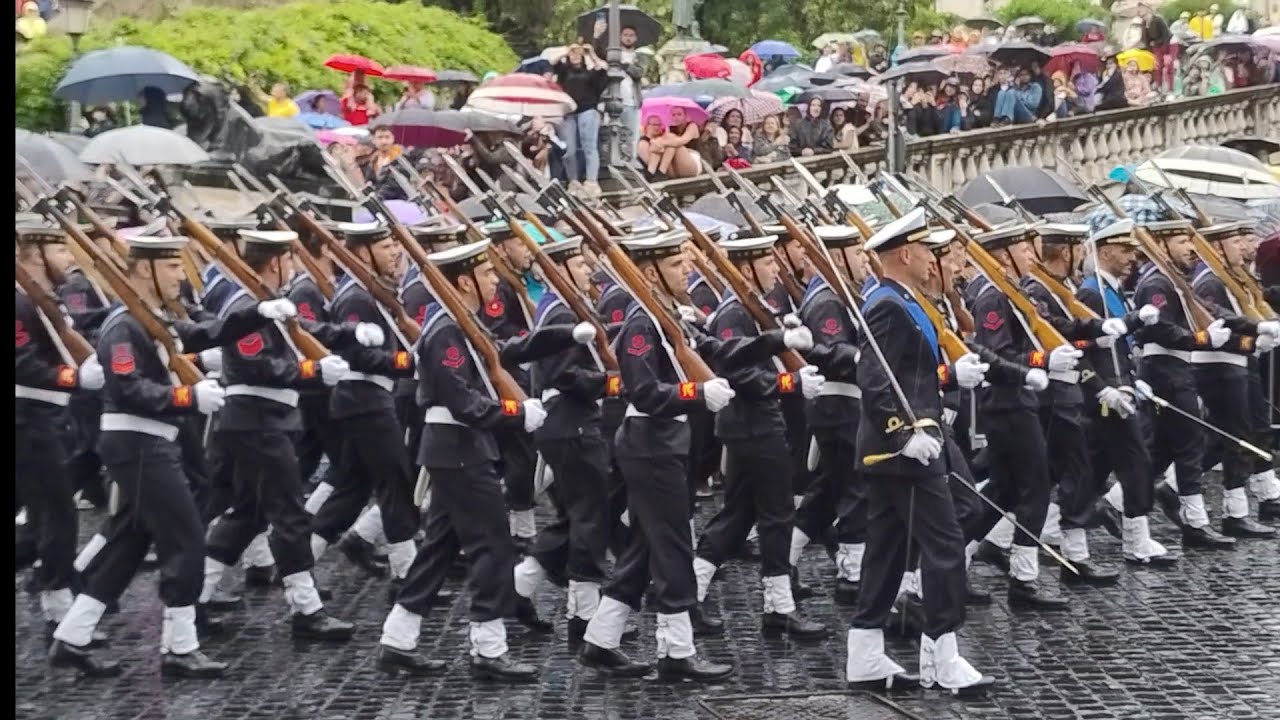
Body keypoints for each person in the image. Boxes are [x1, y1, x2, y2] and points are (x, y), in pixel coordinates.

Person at [49, 235, 275, 679]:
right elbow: (126, 389)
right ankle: (180, 645)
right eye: (171, 267)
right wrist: (187, 397)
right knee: (186, 536)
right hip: (136, 444)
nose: (180, 276)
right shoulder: (123, 326)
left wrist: (258, 313)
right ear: (143, 270)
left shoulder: (151, 318)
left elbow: (204, 332)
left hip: (152, 441)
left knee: (130, 543)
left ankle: (72, 637)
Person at [378, 240, 587, 679]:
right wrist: (516, 414)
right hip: (458, 448)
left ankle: (398, 638)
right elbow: (464, 402)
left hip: (458, 447)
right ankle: (488, 649)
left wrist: (567, 334)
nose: (495, 280)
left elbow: (509, 350)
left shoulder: (459, 323)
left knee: (439, 546)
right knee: (492, 545)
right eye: (486, 274)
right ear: (463, 281)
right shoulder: (445, 333)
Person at [576, 230, 777, 681]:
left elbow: (714, 349)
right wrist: (697, 393)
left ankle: (601, 640)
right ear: (650, 273)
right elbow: (644, 391)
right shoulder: (641, 324)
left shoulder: (664, 314)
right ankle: (675, 650)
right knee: (671, 545)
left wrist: (773, 342)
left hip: (664, 441)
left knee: (649, 544)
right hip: (650, 441)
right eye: (673, 266)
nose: (685, 269)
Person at [845, 208, 994, 695]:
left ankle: (865, 653)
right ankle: (941, 655)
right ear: (906, 253)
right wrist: (902, 433)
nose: (935, 260)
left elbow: (908, 374)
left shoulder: (903, 300)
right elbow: (874, 378)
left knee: (888, 549)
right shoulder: (888, 305)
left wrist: (949, 376)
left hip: (912, 446)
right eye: (928, 250)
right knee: (946, 543)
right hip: (905, 451)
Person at [690, 235, 826, 639]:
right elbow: (736, 371)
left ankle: (692, 589)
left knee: (741, 514)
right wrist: (789, 382)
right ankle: (778, 606)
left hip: (758, 422)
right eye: (766, 262)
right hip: (751, 423)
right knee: (776, 512)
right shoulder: (734, 314)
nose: (774, 268)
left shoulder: (754, 309)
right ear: (747, 268)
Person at [965, 223, 1075, 609]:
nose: (1032, 256)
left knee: (1004, 489)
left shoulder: (1010, 292)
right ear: (1003, 255)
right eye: (1025, 250)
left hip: (1016, 399)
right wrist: (1042, 360)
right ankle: (1023, 580)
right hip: (1007, 401)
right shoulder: (993, 296)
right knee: (1036, 487)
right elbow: (997, 356)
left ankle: (958, 560)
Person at [307, 223, 422, 590]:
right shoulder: (356, 296)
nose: (394, 253)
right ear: (361, 253)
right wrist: (403, 362)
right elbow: (356, 354)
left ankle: (299, 565)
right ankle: (406, 574)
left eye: (393, 245)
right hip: (364, 399)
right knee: (395, 482)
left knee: (350, 490)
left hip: (367, 398)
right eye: (385, 246)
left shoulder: (371, 290)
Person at [1131, 219, 1246, 549]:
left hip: (1175, 368)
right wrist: (1202, 339)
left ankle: (1114, 504)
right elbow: (1160, 330)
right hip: (1163, 369)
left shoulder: (1173, 280)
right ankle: (1194, 523)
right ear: (1164, 246)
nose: (1191, 247)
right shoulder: (1156, 284)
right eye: (1182, 241)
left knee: (1166, 448)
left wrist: (1252, 331)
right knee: (1188, 444)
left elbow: (1212, 309)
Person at [15, 220, 104, 643]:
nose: (70, 260)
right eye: (61, 251)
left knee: (45, 517)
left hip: (48, 417)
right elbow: (23, 364)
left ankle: (57, 590)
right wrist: (74, 378)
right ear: (35, 255)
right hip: (30, 418)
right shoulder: (18, 302)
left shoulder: (41, 298)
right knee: (55, 514)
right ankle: (58, 602)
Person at [1076, 221, 1179, 566]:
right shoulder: (1093, 293)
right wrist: (1104, 387)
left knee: (1096, 465)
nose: (1132, 258)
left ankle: (1049, 527)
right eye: (1125, 251)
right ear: (1104, 253)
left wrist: (1134, 379)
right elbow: (1087, 345)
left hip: (1122, 387)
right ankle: (1137, 540)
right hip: (1105, 394)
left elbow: (1120, 343)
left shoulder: (1113, 290)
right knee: (1136, 461)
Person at [1189, 222, 1278, 538]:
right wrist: (1255, 339)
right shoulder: (1209, 281)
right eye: (1236, 241)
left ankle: (1251, 502)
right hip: (1219, 366)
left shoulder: (1233, 276)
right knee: (1232, 437)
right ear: (1216, 248)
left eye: (1245, 239)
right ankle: (1232, 511)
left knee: (1247, 431)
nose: (1245, 246)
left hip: (1238, 363)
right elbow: (1219, 324)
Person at [553, 41, 608, 198]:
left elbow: (604, 70)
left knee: (589, 146)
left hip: (588, 110)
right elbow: (552, 63)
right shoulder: (565, 72)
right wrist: (566, 51)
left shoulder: (591, 73)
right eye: (573, 54)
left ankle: (591, 181)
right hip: (569, 112)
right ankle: (573, 181)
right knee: (568, 150)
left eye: (578, 54)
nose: (575, 56)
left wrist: (591, 53)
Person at [644, 106, 701, 180]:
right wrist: (658, 141)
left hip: (692, 161)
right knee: (663, 142)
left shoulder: (692, 126)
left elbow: (682, 140)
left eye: (679, 114)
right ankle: (651, 172)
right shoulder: (670, 128)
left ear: (685, 116)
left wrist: (662, 142)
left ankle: (661, 172)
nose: (676, 117)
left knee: (671, 141)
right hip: (674, 165)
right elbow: (657, 141)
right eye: (673, 115)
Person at [1140, 3, 1174, 94]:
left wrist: (1166, 52)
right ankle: (1158, 86)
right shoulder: (1144, 23)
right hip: (1155, 46)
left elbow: (1166, 35)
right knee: (1156, 66)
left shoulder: (1158, 20)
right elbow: (1145, 39)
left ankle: (1171, 88)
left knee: (1168, 66)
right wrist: (1150, 51)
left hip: (1167, 43)